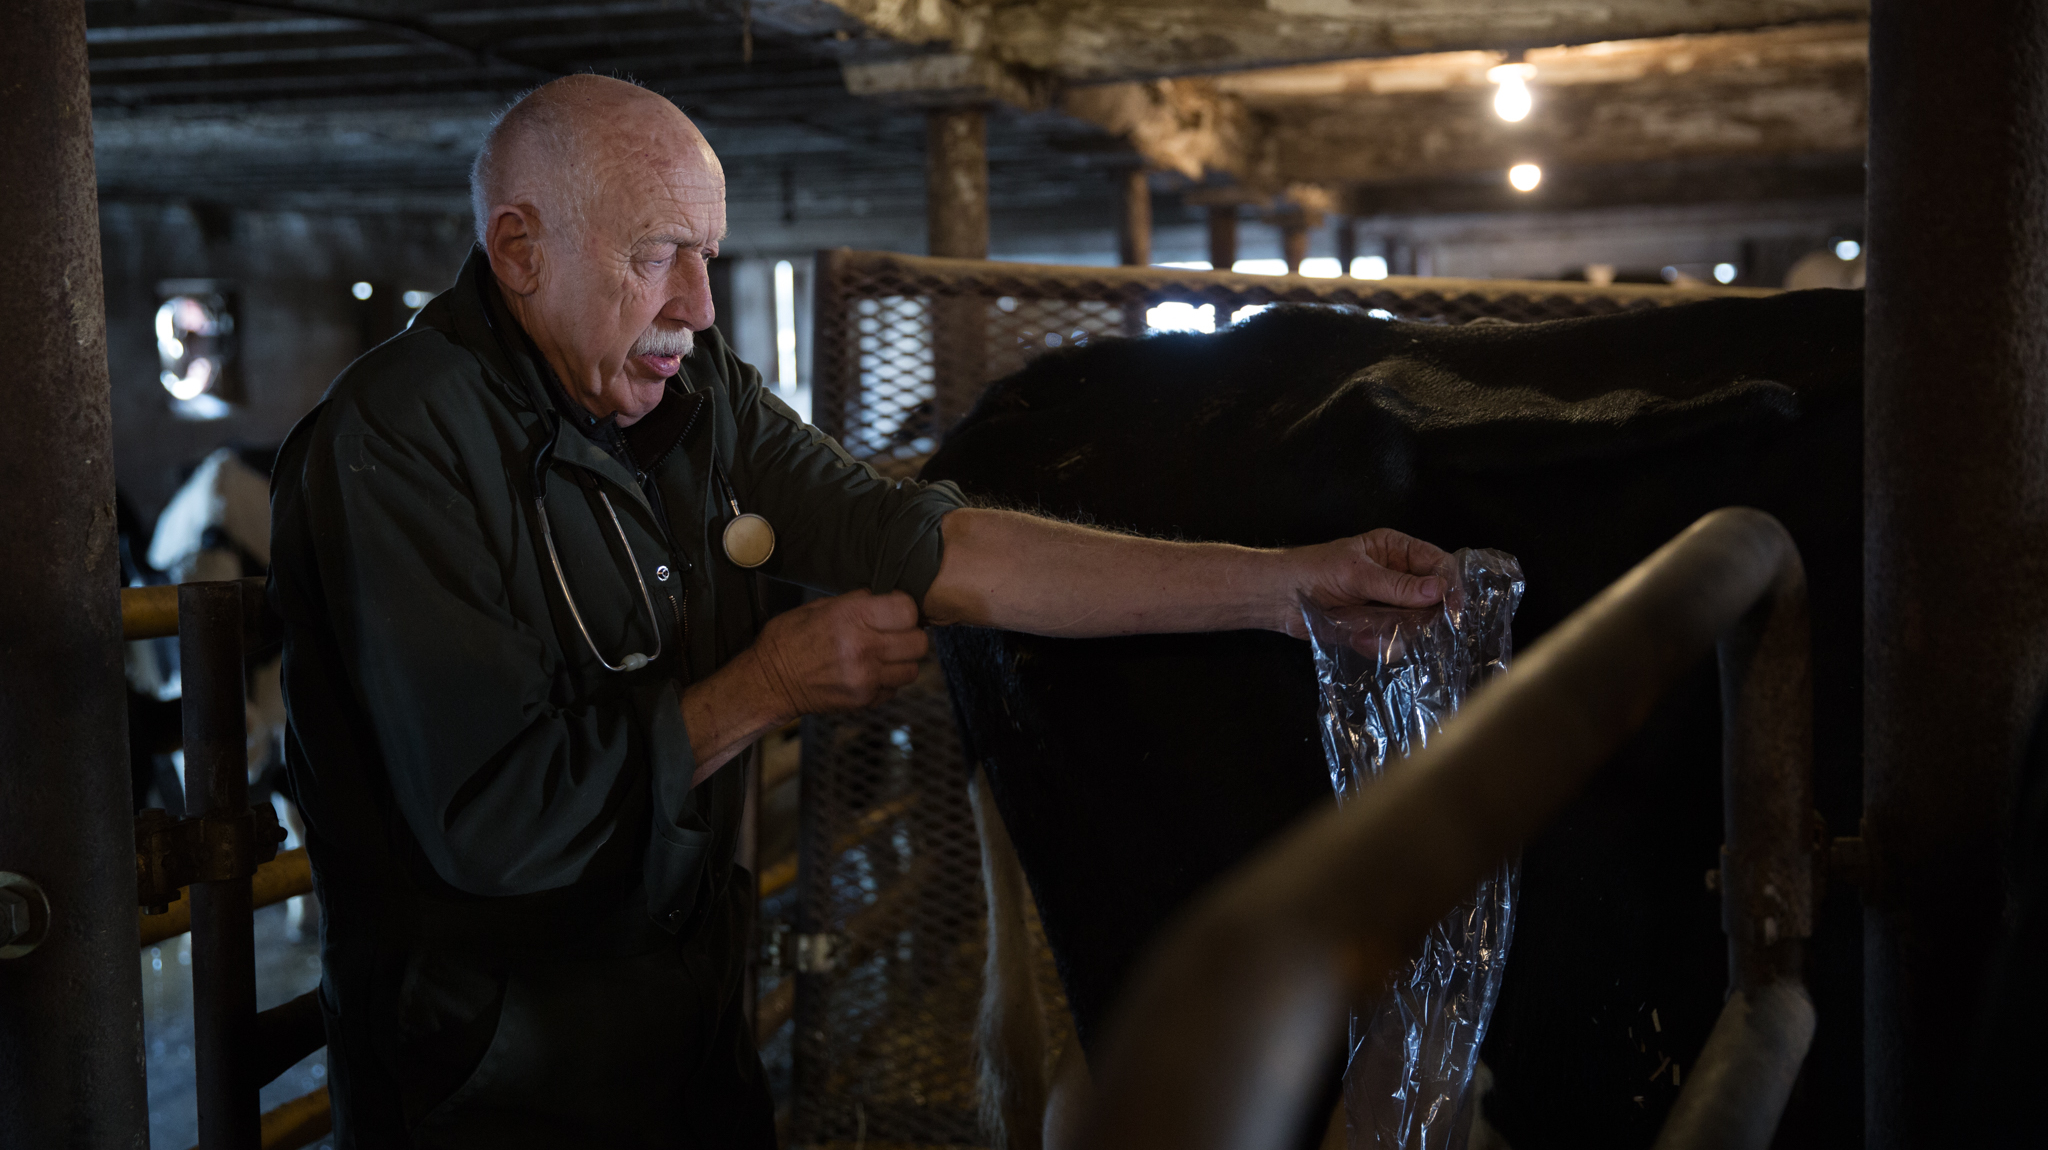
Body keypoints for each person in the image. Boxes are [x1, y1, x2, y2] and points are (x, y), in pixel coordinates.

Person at [268, 73, 1449, 1148]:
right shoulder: (395, 442)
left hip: (687, 1049)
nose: (699, 304)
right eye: (658, 255)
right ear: (520, 250)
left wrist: (1284, 587)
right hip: (488, 1090)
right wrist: (766, 685)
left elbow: (934, 544)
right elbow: (494, 825)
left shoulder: (699, 400)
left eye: (708, 257)